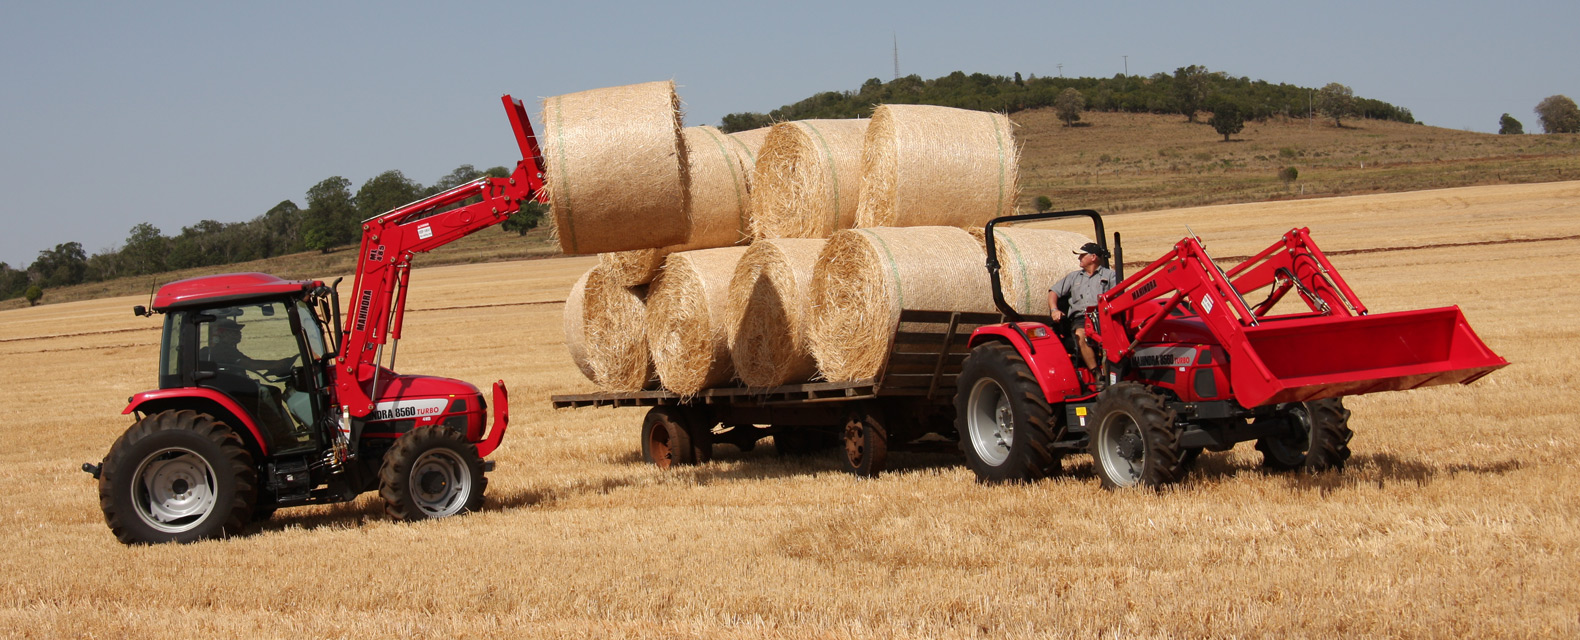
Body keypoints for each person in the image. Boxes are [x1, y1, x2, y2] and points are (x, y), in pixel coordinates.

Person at [1048, 242, 1118, 379]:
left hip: (1104, 316)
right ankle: (1097, 374)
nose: (1079, 258)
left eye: (1082, 255)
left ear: (1093, 257)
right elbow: (1053, 292)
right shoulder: (1073, 277)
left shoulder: (1110, 276)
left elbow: (1121, 295)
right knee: (1081, 335)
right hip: (1081, 318)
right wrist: (1054, 310)